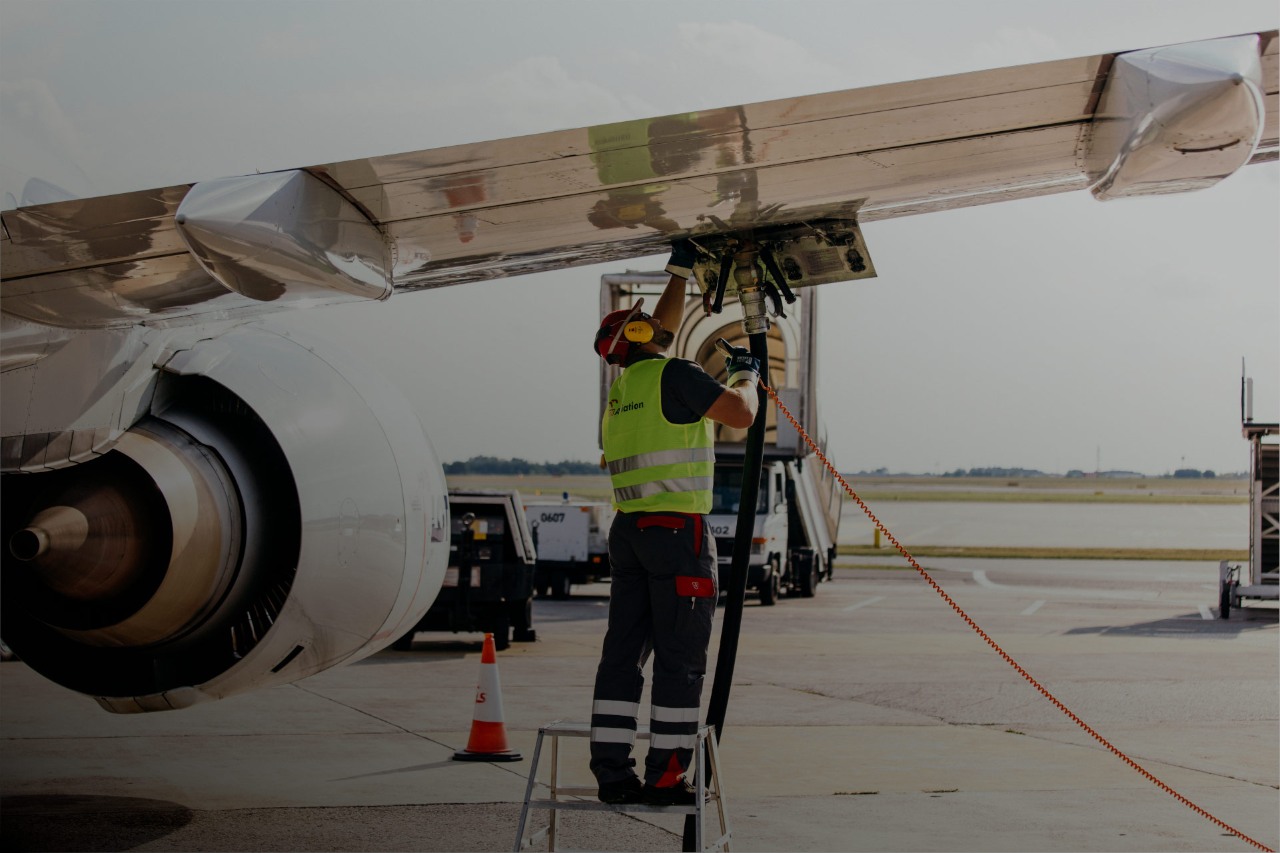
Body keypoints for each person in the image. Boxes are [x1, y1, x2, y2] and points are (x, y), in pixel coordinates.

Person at [589, 240, 760, 806]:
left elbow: (663, 325)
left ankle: (614, 775)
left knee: (623, 656)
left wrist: (680, 272)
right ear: (639, 337)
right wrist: (747, 379)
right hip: (676, 535)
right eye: (642, 323)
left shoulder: (621, 396)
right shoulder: (674, 375)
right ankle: (666, 778)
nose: (654, 324)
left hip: (630, 534)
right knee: (680, 661)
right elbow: (739, 415)